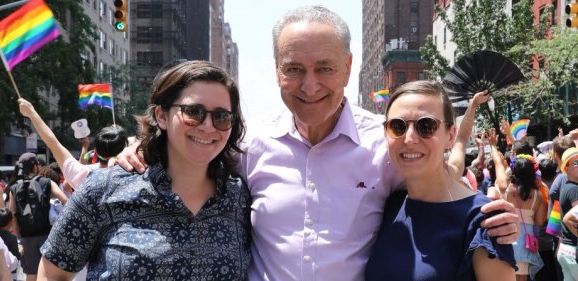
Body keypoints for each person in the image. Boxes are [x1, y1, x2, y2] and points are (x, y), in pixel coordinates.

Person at [115, 5, 520, 280]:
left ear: (347, 68)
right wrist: (142, 151)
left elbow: (438, 185)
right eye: (294, 69)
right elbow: (190, 157)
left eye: (324, 68)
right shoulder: (246, 142)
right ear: (276, 71)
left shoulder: (388, 140)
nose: (309, 86)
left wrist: (492, 215)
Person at [37, 60, 252, 280]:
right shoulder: (103, 188)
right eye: (193, 112)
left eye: (222, 116)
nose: (208, 126)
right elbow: (51, 274)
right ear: (162, 116)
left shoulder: (240, 198)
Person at [365, 81, 515, 280]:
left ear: (449, 135)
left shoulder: (486, 221)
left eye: (425, 126)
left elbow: (462, 140)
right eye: (397, 126)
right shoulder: (391, 204)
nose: (409, 138)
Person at [489, 129, 547, 281]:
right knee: (522, 278)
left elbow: (497, 164)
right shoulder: (538, 195)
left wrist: (493, 146)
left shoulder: (506, 188)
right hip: (526, 242)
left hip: (505, 236)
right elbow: (540, 222)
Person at [7, 153, 68, 281]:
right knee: (47, 273)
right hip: (47, 235)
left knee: (31, 273)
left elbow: (12, 213)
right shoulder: (47, 182)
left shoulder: (14, 188)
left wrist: (18, 236)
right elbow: (66, 201)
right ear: (35, 166)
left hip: (26, 237)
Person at [556, 147, 578, 281]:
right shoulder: (575, 190)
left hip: (565, 249)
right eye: (575, 163)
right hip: (573, 250)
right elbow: (574, 218)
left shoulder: (567, 187)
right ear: (567, 168)